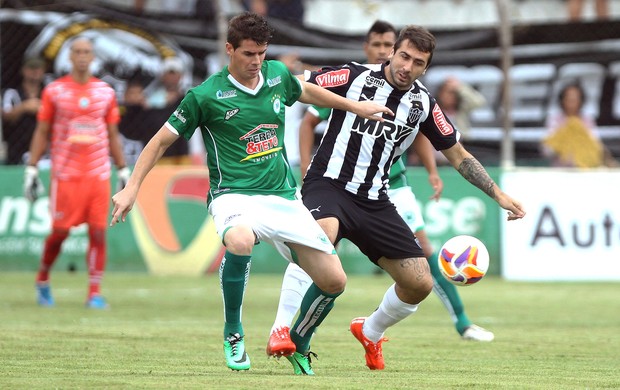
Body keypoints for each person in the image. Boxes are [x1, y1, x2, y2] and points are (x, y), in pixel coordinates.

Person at [109, 12, 392, 375]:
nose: (256, 61)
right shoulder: (205, 95)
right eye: (247, 54)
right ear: (229, 49)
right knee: (240, 240)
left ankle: (300, 340)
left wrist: (356, 106)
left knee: (334, 281)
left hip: (283, 197)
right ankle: (233, 332)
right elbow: (160, 141)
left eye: (261, 53)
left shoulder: (275, 75)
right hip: (234, 195)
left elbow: (304, 90)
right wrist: (131, 189)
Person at [266, 24, 526, 371]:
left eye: (418, 62)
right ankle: (287, 332)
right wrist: (269, 71)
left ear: (425, 67)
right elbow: (302, 81)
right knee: (321, 241)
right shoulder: (353, 76)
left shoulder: (422, 104)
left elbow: (459, 155)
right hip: (327, 184)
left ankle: (370, 330)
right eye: (403, 56)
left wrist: (499, 195)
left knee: (419, 282)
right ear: (392, 52)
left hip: (374, 198)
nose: (407, 66)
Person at [24, 37, 130, 309]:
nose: (83, 56)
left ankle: (94, 292)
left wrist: (122, 168)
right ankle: (43, 278)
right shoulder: (54, 91)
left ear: (93, 57)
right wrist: (32, 168)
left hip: (97, 174)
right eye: (78, 52)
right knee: (59, 232)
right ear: (70, 57)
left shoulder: (105, 92)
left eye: (87, 52)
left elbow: (112, 134)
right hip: (66, 175)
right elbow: (42, 131)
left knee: (97, 232)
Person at [542, 81, 617, 168]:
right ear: (562, 100)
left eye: (575, 99)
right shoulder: (554, 120)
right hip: (560, 170)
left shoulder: (587, 120)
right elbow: (547, 150)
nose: (572, 102)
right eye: (569, 99)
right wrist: (564, 138)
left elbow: (596, 146)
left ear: (581, 101)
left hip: (583, 170)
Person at [2, 56, 47, 165]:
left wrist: (43, 109)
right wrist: (24, 107)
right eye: (31, 68)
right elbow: (6, 116)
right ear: (24, 70)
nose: (35, 71)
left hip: (45, 150)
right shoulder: (12, 93)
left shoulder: (48, 92)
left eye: (38, 68)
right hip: (17, 149)